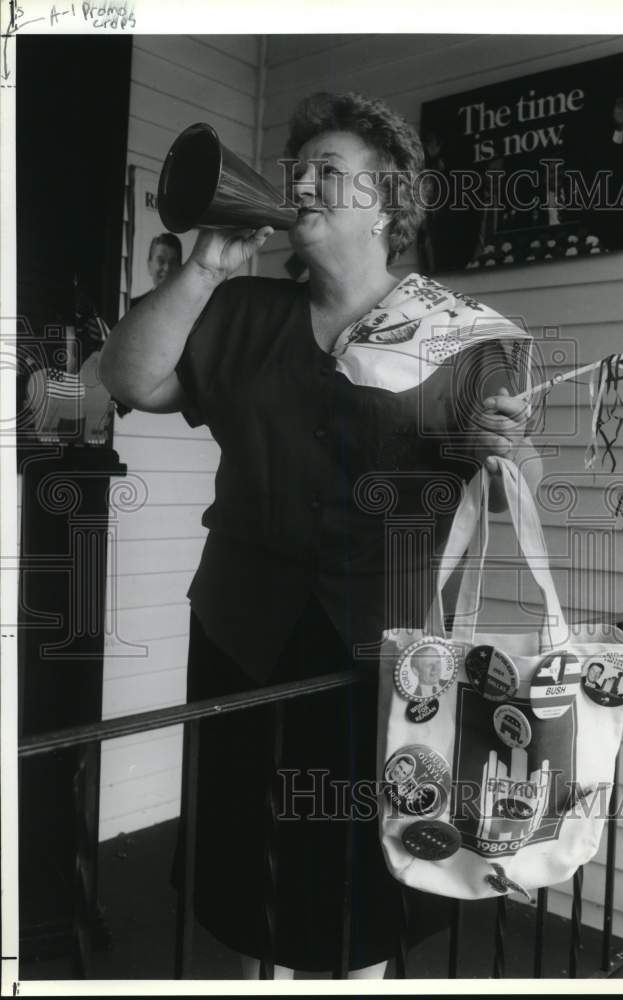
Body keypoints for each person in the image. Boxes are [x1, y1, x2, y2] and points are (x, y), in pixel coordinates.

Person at [99, 91, 539, 980]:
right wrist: (203, 268)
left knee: (357, 871)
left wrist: (513, 451)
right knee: (246, 853)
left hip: (383, 650)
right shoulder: (240, 309)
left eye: (327, 174)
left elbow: (509, 493)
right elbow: (130, 380)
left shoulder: (467, 342)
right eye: (297, 172)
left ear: (387, 203)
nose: (301, 185)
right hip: (242, 630)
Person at [129, 232, 182, 308]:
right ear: (149, 266)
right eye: (161, 261)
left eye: (173, 262)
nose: (167, 268)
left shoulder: (192, 309)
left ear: (180, 268)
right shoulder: (131, 307)